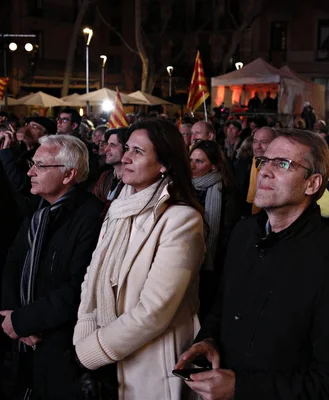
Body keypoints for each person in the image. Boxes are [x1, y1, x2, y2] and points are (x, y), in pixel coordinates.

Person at [176, 129, 329, 399]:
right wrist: (208, 340)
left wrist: (241, 387)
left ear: (312, 184)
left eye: (283, 164)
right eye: (264, 161)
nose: (264, 171)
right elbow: (222, 305)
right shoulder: (243, 234)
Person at [73, 119, 205, 399]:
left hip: (149, 361)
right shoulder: (119, 207)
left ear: (164, 164)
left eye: (138, 151)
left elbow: (154, 312)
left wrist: (91, 350)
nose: (125, 157)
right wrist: (83, 334)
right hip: (104, 354)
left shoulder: (181, 220)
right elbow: (93, 276)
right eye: (127, 148)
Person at [1, 135, 103, 398]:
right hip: (23, 342)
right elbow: (13, 262)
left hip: (59, 345)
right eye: (32, 164)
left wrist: (25, 321)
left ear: (69, 175)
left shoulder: (90, 216)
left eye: (41, 166)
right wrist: (13, 317)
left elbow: (79, 285)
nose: (30, 172)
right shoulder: (40, 212)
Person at [189, 139, 240, 321]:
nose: (192, 166)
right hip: (187, 256)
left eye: (199, 161)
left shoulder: (225, 189)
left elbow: (228, 228)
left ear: (213, 166)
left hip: (213, 260)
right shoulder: (183, 187)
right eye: (191, 160)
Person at [91, 127, 130, 205]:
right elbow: (92, 204)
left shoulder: (132, 181)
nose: (106, 149)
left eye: (112, 145)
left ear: (126, 148)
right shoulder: (105, 176)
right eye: (107, 144)